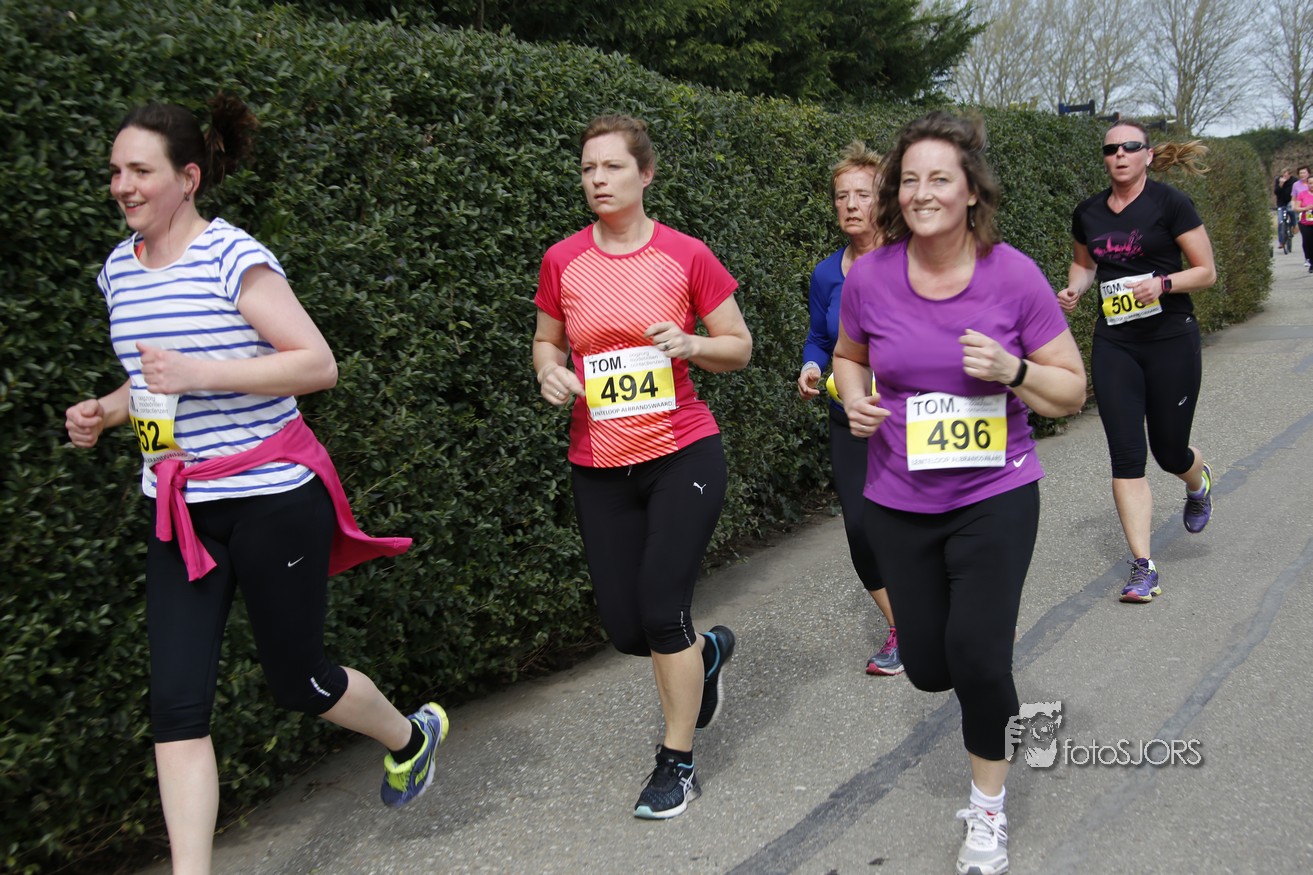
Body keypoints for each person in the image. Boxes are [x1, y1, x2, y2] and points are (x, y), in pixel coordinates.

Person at [64, 95, 446, 874]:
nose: (122, 186)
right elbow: (150, 379)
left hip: (271, 498)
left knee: (300, 681)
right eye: (115, 171)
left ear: (187, 178)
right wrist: (105, 410)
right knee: (176, 707)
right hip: (178, 508)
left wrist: (201, 373)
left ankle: (411, 736)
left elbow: (316, 363)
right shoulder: (117, 271)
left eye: (140, 171)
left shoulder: (232, 257)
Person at [833, 111, 1086, 875]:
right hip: (897, 498)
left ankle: (986, 809)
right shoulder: (870, 276)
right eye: (908, 179)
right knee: (929, 667)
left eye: (939, 178)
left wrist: (1013, 370)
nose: (921, 192)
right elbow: (849, 355)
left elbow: (1070, 389)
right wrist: (854, 398)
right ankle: (980, 676)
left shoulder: (1012, 275)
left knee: (976, 658)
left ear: (971, 191)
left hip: (993, 494)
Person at [531, 114, 753, 819]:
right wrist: (549, 371)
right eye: (587, 168)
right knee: (629, 631)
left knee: (662, 609)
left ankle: (676, 762)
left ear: (646, 174)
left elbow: (738, 346)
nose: (597, 179)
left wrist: (691, 343)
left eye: (613, 167)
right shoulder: (563, 260)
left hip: (682, 452)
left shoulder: (685, 254)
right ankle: (705, 655)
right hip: (599, 461)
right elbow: (546, 342)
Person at [1058, 120, 1218, 604]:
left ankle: (1197, 481)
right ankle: (1143, 567)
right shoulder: (1088, 212)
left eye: (1130, 147)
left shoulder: (1171, 203)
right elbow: (1085, 264)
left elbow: (1206, 271)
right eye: (1111, 149)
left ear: (1148, 154)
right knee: (1127, 455)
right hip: (1116, 344)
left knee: (1169, 452)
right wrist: (1075, 289)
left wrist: (1164, 284)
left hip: (1171, 340)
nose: (1120, 155)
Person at [796, 141, 903, 676]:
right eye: (842, 196)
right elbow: (820, 336)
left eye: (863, 194)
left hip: (911, 419)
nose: (851, 205)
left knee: (921, 520)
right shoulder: (826, 274)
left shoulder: (911, 259)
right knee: (860, 527)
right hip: (851, 420)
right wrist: (811, 366)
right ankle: (904, 626)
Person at [1293, 165, 1313, 272]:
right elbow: (1296, 208)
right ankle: (1310, 259)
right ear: (1307, 184)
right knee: (1308, 242)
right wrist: (1306, 208)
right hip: (1305, 223)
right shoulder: (1302, 194)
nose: (1312, 185)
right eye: (1310, 183)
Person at [1274, 168, 1295, 253]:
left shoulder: (1294, 181)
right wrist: (1281, 184)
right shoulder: (1278, 180)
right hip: (1281, 203)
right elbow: (1276, 192)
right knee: (1280, 221)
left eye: (1286, 175)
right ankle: (1281, 242)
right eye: (1283, 175)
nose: (1284, 176)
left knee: (1292, 213)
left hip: (1290, 201)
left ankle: (1294, 226)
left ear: (1290, 175)